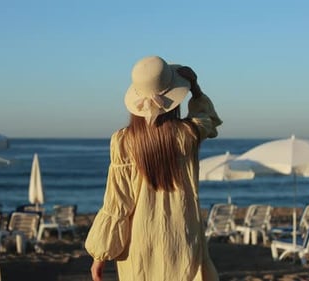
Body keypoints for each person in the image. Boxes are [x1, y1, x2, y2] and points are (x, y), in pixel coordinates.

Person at [84, 55, 222, 281]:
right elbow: (208, 119)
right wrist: (195, 89)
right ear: (173, 99)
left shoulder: (123, 141)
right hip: (183, 242)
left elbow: (118, 203)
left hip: (139, 247)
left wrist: (100, 256)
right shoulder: (188, 134)